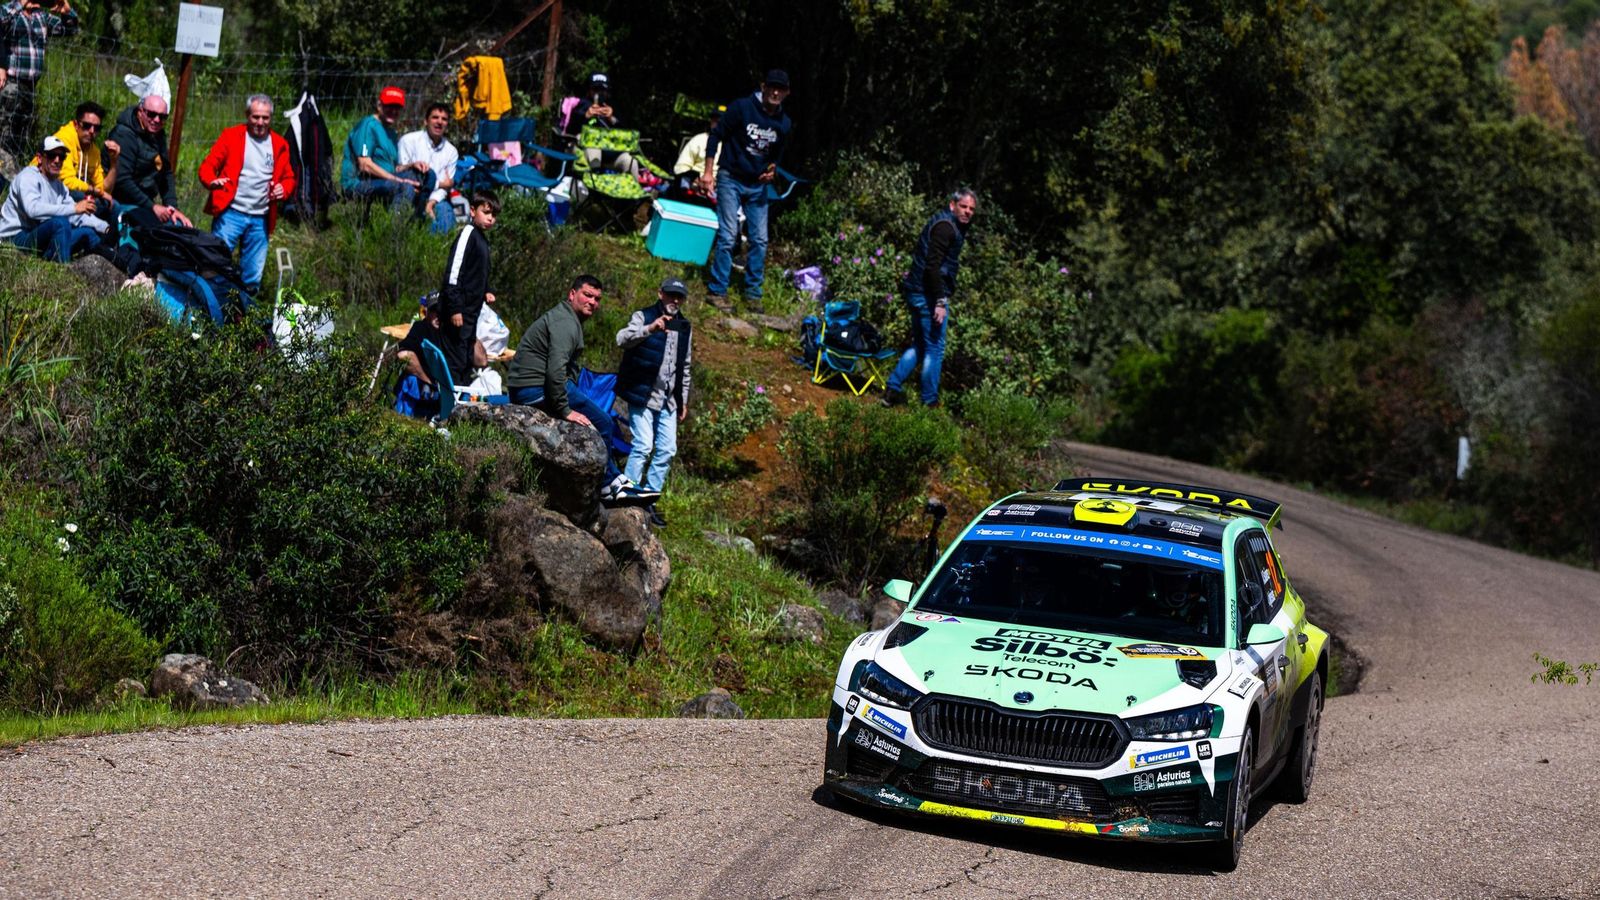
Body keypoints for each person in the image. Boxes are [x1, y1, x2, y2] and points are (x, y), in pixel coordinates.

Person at [507, 274, 658, 507]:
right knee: (604, 423)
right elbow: (555, 372)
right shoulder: (564, 323)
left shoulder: (565, 318)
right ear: (572, 294)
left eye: (597, 299)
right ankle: (609, 485)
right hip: (535, 389)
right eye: (587, 295)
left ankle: (614, 480)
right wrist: (564, 410)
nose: (592, 302)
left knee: (598, 418)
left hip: (531, 387)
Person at [699, 69, 793, 313]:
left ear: (786, 93)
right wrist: (708, 173)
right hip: (730, 176)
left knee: (760, 239)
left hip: (757, 185)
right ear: (763, 86)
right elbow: (715, 137)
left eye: (780, 89)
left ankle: (753, 293)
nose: (774, 92)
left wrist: (772, 171)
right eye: (771, 86)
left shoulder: (784, 122)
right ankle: (717, 290)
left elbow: (776, 155)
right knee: (729, 235)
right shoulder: (742, 107)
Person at [882, 189, 977, 408]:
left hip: (918, 292)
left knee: (921, 346)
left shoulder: (947, 224)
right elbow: (932, 267)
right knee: (935, 348)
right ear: (952, 205)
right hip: (928, 296)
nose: (968, 212)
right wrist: (941, 301)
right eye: (964, 206)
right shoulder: (946, 227)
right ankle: (929, 402)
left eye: (972, 209)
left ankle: (892, 390)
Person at [197, 94, 296, 293]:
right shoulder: (232, 136)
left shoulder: (279, 145)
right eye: (255, 117)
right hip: (231, 213)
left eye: (265, 118)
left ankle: (243, 315)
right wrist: (211, 181)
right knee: (214, 265)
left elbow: (289, 178)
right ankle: (208, 305)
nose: (260, 122)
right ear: (247, 116)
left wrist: (283, 189)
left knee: (251, 276)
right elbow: (208, 166)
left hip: (260, 218)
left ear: (271, 119)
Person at [615, 278, 693, 527]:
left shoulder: (684, 326)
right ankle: (626, 496)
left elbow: (686, 365)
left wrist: (683, 399)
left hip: (669, 400)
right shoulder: (644, 315)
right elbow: (621, 339)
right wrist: (650, 328)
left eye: (679, 297)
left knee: (668, 450)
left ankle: (648, 499)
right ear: (660, 294)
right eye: (671, 295)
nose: (675, 301)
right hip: (643, 393)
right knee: (643, 446)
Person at [0, 134, 105, 260]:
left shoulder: (59, 186)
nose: (57, 160)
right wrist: (74, 208)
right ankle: (62, 272)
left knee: (88, 234)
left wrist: (105, 227)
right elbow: (32, 210)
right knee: (61, 223)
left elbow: (77, 215)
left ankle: (122, 266)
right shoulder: (27, 177)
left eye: (61, 157)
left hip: (37, 235)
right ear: (39, 158)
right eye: (51, 156)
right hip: (15, 237)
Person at [0, 0, 77, 161]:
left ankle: (12, 176)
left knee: (21, 135)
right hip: (11, 83)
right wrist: (21, 3)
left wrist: (67, 12)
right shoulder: (11, 13)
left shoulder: (41, 17)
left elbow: (70, 30)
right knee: (5, 133)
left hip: (32, 85)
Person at [439, 190, 499, 386]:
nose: (491, 218)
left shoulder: (482, 238)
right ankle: (448, 409)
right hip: (458, 312)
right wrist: (455, 308)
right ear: (473, 211)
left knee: (466, 359)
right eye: (486, 212)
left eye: (494, 215)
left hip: (471, 314)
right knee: (454, 361)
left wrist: (486, 290)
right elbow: (454, 274)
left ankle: (461, 408)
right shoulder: (468, 234)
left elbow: (478, 272)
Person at [107, 94, 191, 228]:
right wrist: (152, 206)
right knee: (154, 228)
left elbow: (166, 173)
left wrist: (172, 208)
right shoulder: (124, 135)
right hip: (120, 202)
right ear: (141, 112)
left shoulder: (158, 135)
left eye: (162, 117)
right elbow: (122, 180)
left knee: (179, 226)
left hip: (144, 203)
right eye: (152, 114)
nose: (157, 120)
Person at [340, 86, 424, 215]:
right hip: (359, 182)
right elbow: (364, 165)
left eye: (397, 107)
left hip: (382, 180)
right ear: (379, 105)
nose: (393, 111)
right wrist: (399, 180)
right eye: (389, 106)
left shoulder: (391, 133)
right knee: (403, 186)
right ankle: (394, 228)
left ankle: (421, 218)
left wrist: (411, 165)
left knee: (423, 176)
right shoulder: (368, 126)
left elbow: (392, 168)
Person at [39, 100, 116, 219]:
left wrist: (114, 163)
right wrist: (97, 192)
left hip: (69, 192)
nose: (91, 131)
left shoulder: (94, 151)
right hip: (46, 188)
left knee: (111, 205)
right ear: (76, 124)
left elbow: (103, 189)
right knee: (100, 206)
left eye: (96, 128)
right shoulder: (64, 139)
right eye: (86, 126)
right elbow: (67, 181)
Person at [396, 102, 459, 234]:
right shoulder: (408, 141)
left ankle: (436, 250)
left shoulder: (451, 152)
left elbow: (445, 189)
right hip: (411, 193)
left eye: (444, 119)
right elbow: (402, 173)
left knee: (446, 219)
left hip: (436, 198)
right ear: (426, 121)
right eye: (435, 117)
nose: (439, 122)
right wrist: (441, 183)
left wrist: (431, 202)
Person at [672, 107, 722, 203]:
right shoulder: (698, 140)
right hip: (695, 184)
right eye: (715, 120)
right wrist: (696, 179)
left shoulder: (732, 146)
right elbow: (680, 167)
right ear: (711, 121)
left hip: (720, 187)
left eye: (721, 121)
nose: (718, 123)